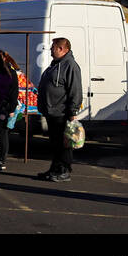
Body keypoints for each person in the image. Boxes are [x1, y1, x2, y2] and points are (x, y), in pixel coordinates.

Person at [37, 37, 83, 182]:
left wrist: (72, 111)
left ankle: (64, 170)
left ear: (62, 49)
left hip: (62, 112)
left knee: (65, 144)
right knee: (55, 144)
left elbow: (75, 90)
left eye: (53, 48)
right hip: (51, 112)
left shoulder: (70, 65)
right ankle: (55, 169)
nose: (51, 50)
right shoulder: (56, 64)